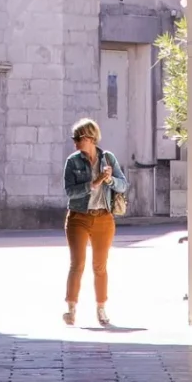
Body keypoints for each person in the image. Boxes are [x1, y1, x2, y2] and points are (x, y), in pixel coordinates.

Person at [61, 117, 127, 327]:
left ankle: (101, 309)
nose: (74, 142)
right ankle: (71, 309)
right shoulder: (73, 161)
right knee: (77, 264)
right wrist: (94, 183)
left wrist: (110, 180)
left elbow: (123, 185)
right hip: (78, 217)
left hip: (103, 218)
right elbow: (70, 192)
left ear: (89, 138)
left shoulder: (108, 159)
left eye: (77, 138)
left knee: (100, 266)